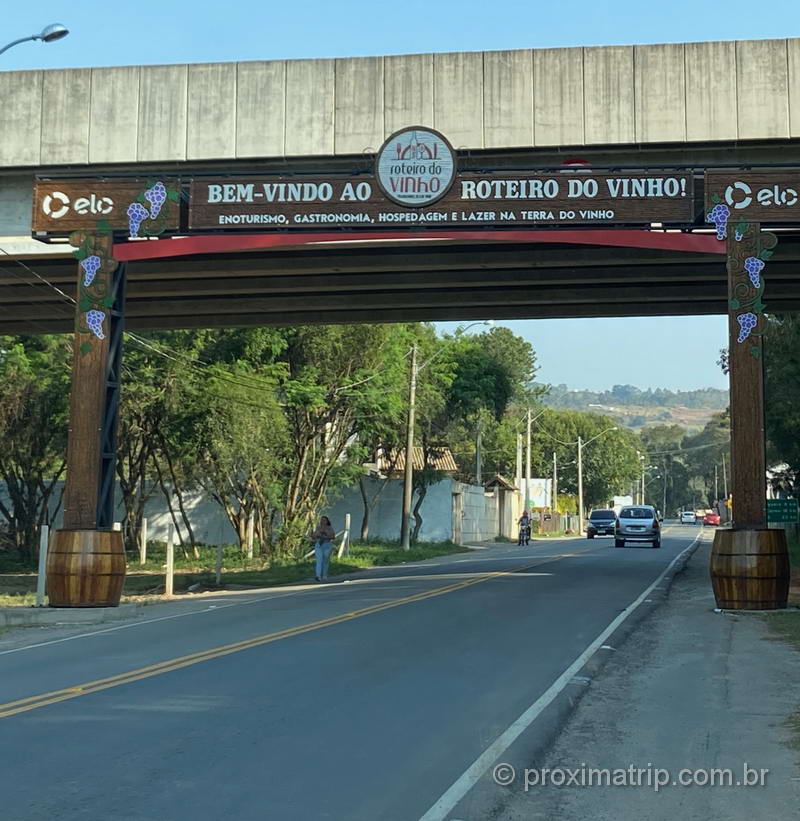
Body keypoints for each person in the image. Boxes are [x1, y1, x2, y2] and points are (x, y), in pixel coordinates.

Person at [311, 516, 336, 581]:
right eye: (321, 520)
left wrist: (325, 534)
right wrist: (316, 535)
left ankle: (324, 575)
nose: (322, 521)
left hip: (327, 545)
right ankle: (318, 576)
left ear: (327, 521)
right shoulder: (318, 528)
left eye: (324, 520)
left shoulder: (330, 528)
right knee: (319, 560)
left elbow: (333, 536)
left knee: (325, 560)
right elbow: (313, 536)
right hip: (319, 545)